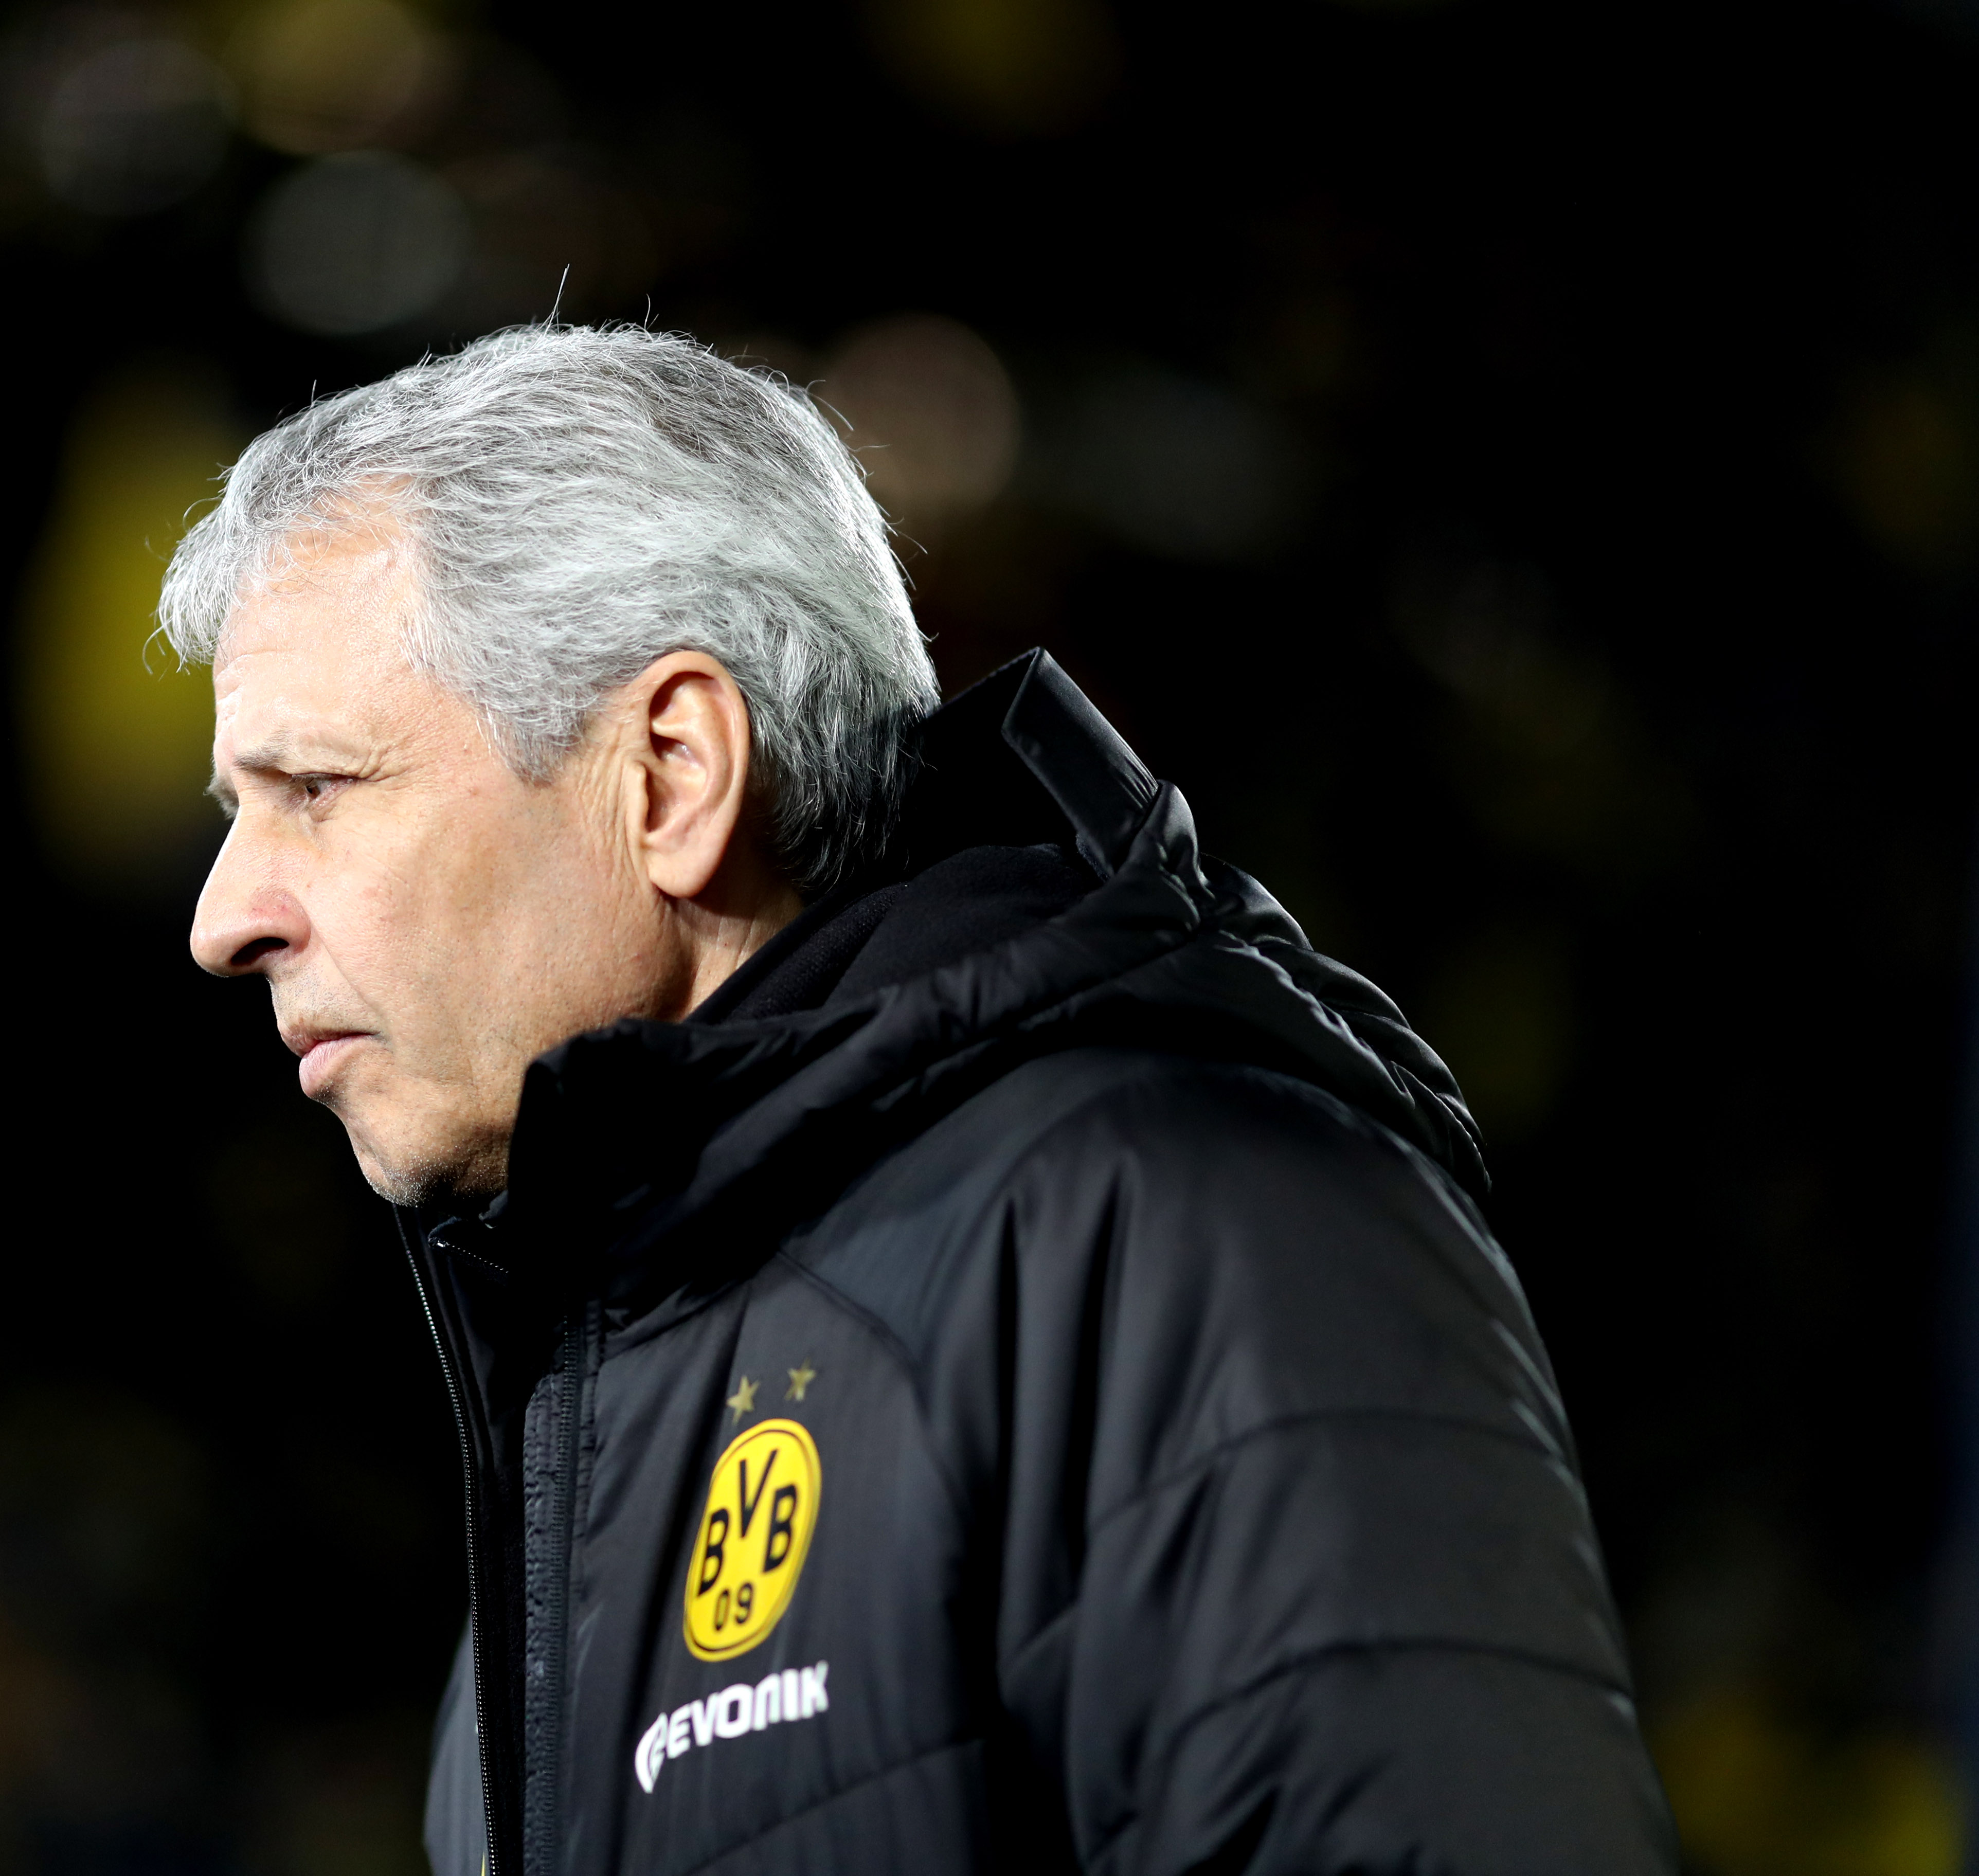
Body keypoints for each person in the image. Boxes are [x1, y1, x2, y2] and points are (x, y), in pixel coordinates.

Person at [169, 324, 1672, 1875]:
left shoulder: (1171, 1220)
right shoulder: (580, 1438)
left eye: (316, 790)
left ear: (671, 774)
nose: (225, 918)